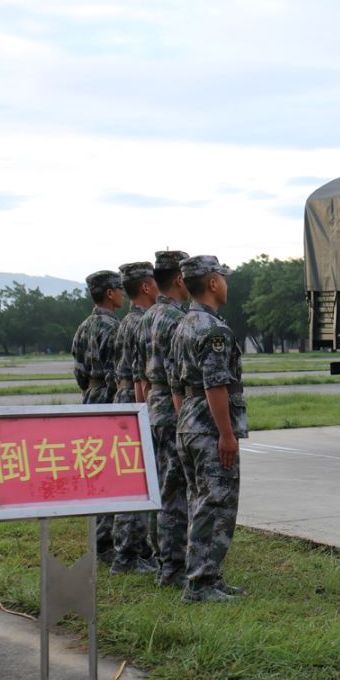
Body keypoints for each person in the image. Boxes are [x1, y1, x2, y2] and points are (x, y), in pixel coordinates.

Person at [170, 255, 246, 603]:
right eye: (222, 277)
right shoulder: (214, 330)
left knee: (198, 502)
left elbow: (175, 384)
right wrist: (225, 435)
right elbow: (216, 386)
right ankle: (200, 585)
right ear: (213, 283)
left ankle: (207, 576)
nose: (225, 283)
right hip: (208, 429)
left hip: (188, 423)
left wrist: (187, 422)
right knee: (215, 505)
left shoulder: (183, 324)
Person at [135, 250, 191, 588]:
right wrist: (185, 419)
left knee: (159, 488)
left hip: (153, 404)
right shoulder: (175, 319)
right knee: (175, 491)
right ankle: (172, 566)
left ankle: (163, 560)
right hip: (171, 407)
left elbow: (139, 374)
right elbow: (177, 378)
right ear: (180, 279)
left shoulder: (147, 317)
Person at [109, 261, 160, 574]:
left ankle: (131, 550)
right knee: (137, 477)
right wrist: (145, 412)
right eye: (153, 282)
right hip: (136, 400)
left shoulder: (127, 321)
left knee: (130, 476)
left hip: (124, 397)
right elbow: (143, 374)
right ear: (145, 287)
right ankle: (128, 554)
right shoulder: (142, 322)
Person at [70, 269, 123, 562]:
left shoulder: (83, 327)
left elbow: (78, 371)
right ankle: (107, 541)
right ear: (109, 293)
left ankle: (100, 538)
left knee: (97, 469)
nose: (122, 294)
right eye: (118, 289)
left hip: (90, 398)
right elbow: (118, 372)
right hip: (109, 401)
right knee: (113, 469)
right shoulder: (112, 328)